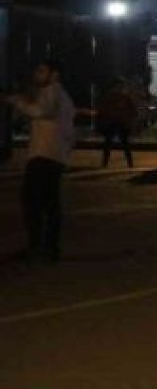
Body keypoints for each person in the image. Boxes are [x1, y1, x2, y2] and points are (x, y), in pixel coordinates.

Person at [6, 60, 76, 263]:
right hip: (53, 155)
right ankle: (50, 247)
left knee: (33, 202)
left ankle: (37, 247)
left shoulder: (52, 91)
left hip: (44, 155)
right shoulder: (61, 96)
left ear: (54, 75)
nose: (37, 75)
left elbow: (39, 111)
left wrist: (17, 102)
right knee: (49, 203)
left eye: (42, 71)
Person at [96, 76, 137, 169]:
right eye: (120, 85)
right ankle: (107, 163)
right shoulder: (113, 97)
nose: (121, 87)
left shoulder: (124, 97)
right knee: (112, 143)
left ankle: (128, 163)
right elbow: (103, 109)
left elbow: (133, 110)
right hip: (114, 122)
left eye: (121, 86)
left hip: (119, 122)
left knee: (121, 144)